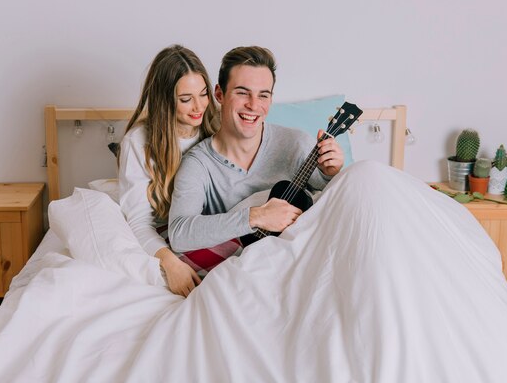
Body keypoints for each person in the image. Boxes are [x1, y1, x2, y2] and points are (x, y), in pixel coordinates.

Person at [168, 46, 345, 252]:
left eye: (263, 95)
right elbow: (179, 234)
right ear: (219, 94)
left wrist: (331, 174)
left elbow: (337, 208)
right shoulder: (199, 164)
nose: (253, 105)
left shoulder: (296, 143)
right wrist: (257, 216)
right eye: (243, 93)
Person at [118, 44, 219, 296]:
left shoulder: (217, 128)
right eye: (186, 99)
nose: (199, 106)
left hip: (210, 226)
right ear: (165, 100)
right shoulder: (138, 142)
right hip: (165, 234)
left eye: (204, 94)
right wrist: (170, 262)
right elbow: (140, 221)